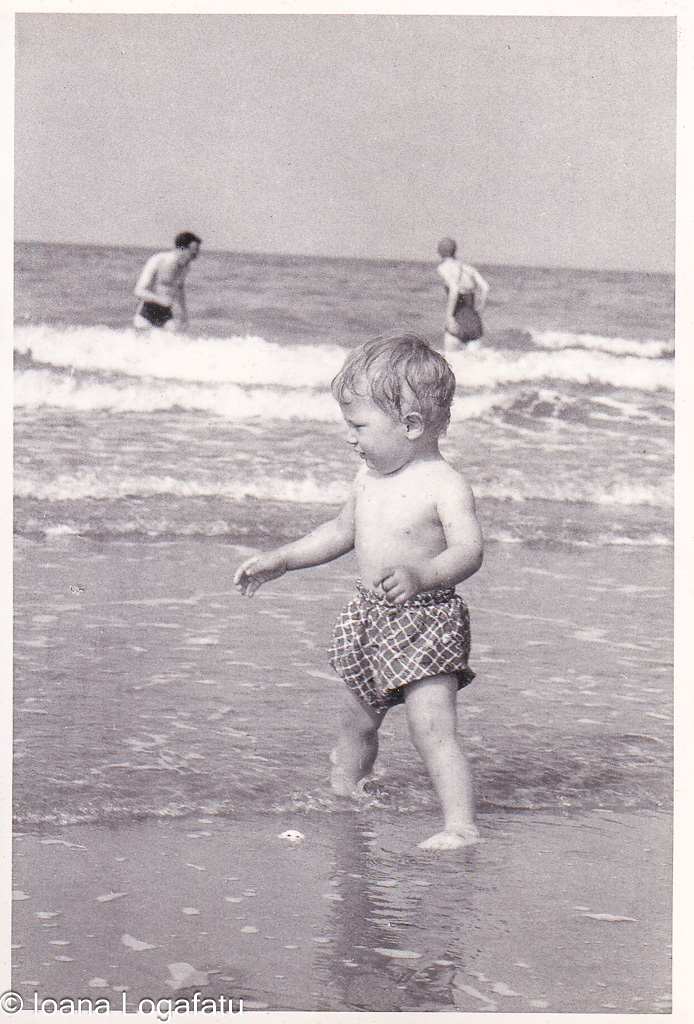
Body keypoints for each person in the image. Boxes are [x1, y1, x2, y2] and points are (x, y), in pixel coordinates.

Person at [235, 334, 484, 850]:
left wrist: (423, 575)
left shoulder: (444, 483)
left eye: (359, 426)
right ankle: (344, 795)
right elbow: (340, 531)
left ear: (411, 426)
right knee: (355, 724)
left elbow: (468, 551)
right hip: (371, 619)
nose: (350, 438)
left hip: (426, 622)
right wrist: (282, 558)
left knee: (431, 728)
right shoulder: (368, 476)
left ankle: (460, 825)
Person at [133, 231, 202, 331]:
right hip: (147, 312)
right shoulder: (159, 260)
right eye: (193, 252)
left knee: (175, 342)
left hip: (166, 313)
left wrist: (184, 315)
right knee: (145, 343)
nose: (195, 255)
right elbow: (138, 291)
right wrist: (160, 300)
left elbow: (179, 290)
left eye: (197, 252)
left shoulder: (185, 267)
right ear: (182, 249)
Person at [436, 237, 489, 351]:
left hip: (457, 319)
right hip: (474, 322)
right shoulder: (469, 268)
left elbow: (454, 289)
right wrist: (481, 308)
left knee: (450, 362)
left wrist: (449, 317)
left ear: (440, 252)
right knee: (475, 365)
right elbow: (485, 288)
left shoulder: (443, 267)